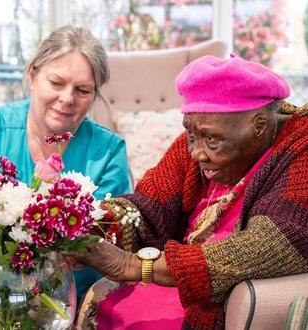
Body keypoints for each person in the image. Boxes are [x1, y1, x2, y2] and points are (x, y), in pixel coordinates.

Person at [72, 54, 308, 329]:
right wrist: (91, 229)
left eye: (212, 139)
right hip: (169, 278)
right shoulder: (198, 141)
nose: (196, 153)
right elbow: (148, 208)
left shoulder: (301, 145)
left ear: (259, 126)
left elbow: (271, 244)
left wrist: (136, 266)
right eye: (191, 135)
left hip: (216, 295)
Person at [0, 25, 131, 305]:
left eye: (83, 90)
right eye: (56, 83)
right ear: (32, 75)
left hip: (73, 303)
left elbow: (110, 241)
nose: (67, 99)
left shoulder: (108, 154)